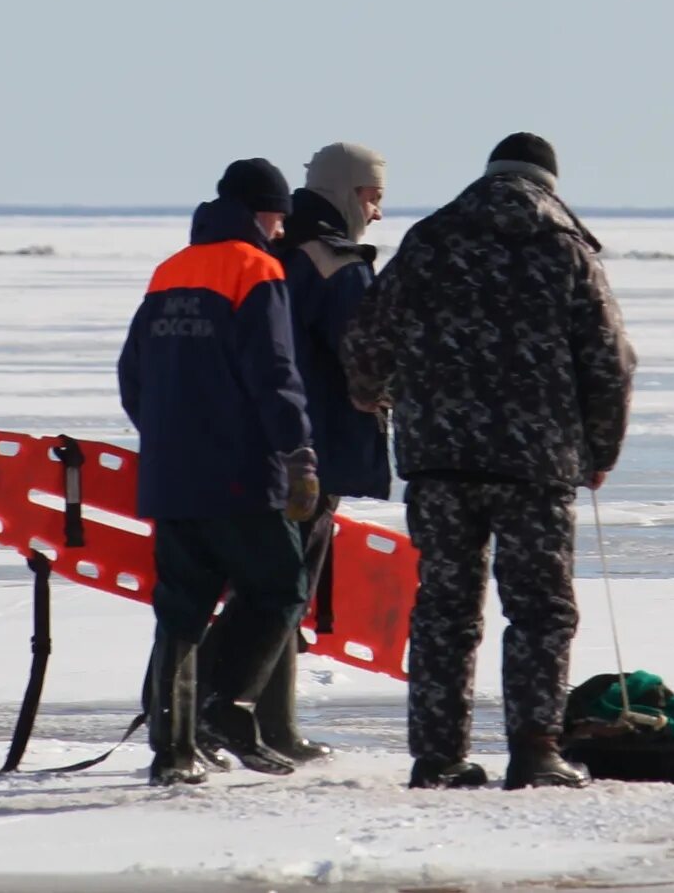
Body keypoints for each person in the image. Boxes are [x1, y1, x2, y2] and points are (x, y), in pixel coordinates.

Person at [343, 132, 634, 791]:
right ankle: (535, 749)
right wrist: (600, 449)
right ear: (549, 182)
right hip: (537, 465)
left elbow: (367, 337)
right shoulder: (565, 247)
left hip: (439, 459)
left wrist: (372, 393)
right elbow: (610, 361)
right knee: (539, 608)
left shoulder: (430, 240)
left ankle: (438, 754)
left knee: (444, 605)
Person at [118, 158, 321, 786]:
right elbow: (275, 373)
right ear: (261, 211)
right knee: (282, 586)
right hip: (239, 474)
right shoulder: (256, 268)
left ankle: (173, 752)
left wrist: (166, 438)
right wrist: (297, 454)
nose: (283, 229)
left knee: (180, 609)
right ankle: (228, 706)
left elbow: (132, 377)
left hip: (172, 476)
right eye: (280, 214)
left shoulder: (170, 270)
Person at [215, 139, 391, 765]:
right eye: (373, 197)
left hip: (241, 444)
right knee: (288, 586)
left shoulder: (261, 253)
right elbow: (362, 356)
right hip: (311, 450)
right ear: (349, 192)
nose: (376, 213)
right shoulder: (335, 264)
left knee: (253, 585)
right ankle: (270, 726)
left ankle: (235, 721)